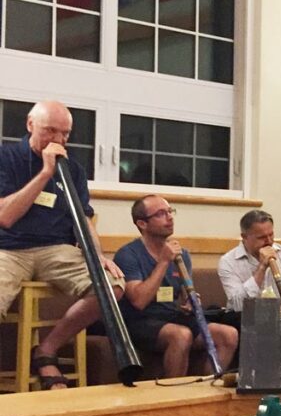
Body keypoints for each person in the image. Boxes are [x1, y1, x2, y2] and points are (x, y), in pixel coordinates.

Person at [0, 100, 126, 390]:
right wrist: (45, 173)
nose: (58, 140)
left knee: (112, 286)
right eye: (50, 131)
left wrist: (99, 257)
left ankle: (46, 350)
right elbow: (6, 216)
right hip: (7, 248)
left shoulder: (74, 170)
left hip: (56, 249)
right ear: (30, 125)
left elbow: (83, 219)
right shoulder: (6, 158)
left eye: (65, 133)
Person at [114, 195, 238, 377]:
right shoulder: (128, 255)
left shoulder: (182, 255)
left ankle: (206, 389)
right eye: (161, 214)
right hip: (139, 321)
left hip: (171, 316)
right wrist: (163, 261)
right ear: (142, 224)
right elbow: (138, 301)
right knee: (181, 335)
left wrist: (190, 300)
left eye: (170, 211)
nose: (170, 217)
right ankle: (174, 394)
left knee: (229, 335)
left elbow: (184, 293)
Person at [218, 209, 281, 328]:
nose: (269, 241)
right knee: (242, 321)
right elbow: (238, 305)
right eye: (262, 237)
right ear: (244, 237)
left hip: (280, 312)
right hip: (246, 315)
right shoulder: (228, 261)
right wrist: (262, 267)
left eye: (271, 234)